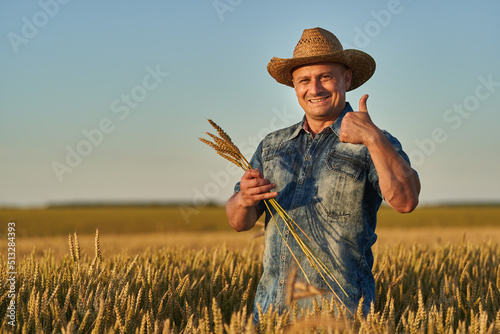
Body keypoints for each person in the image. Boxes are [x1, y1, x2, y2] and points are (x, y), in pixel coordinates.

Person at [226, 27, 420, 322]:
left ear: (347, 79)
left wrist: (374, 138)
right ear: (294, 86)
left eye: (325, 77)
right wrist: (243, 200)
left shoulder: (376, 143)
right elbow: (240, 222)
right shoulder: (272, 145)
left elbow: (406, 201)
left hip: (341, 316)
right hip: (271, 315)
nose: (314, 89)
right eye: (304, 80)